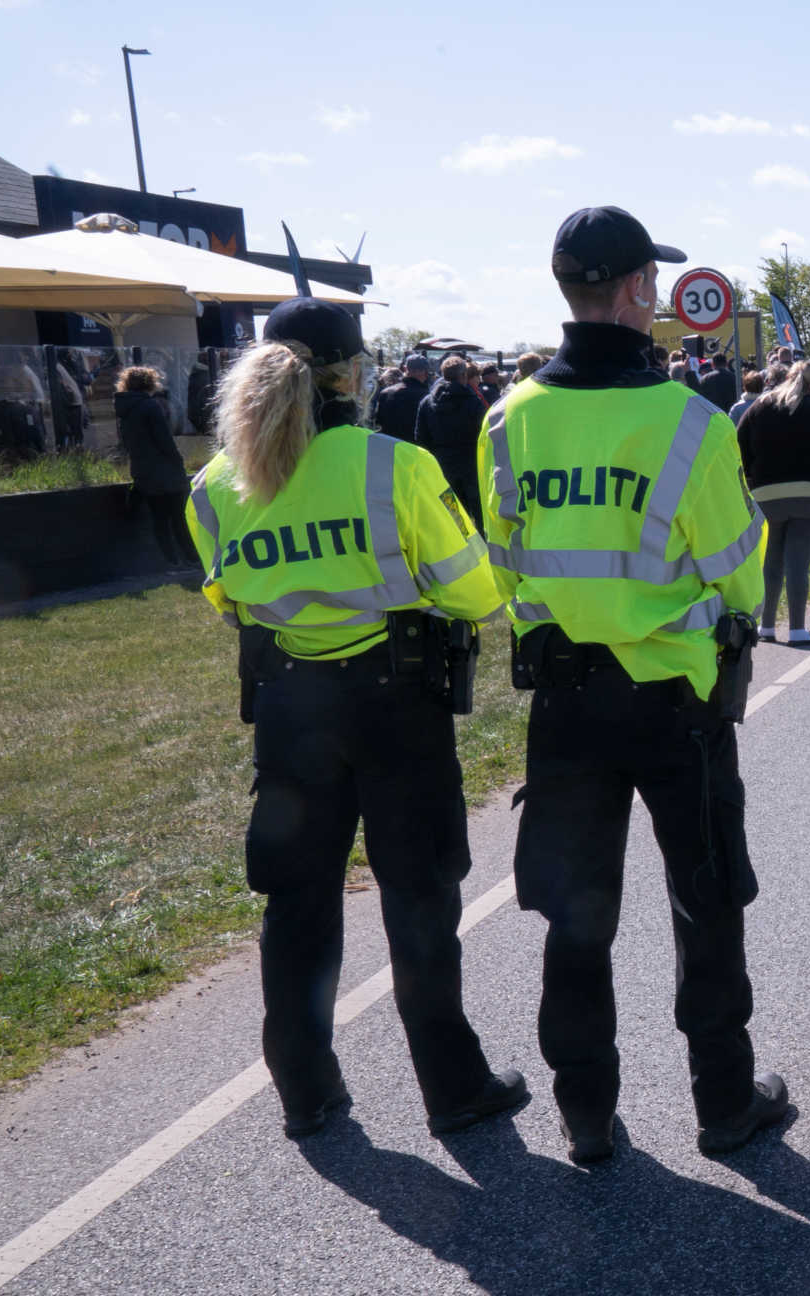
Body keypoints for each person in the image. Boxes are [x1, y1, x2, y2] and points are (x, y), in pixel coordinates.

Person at [484, 205, 790, 1165]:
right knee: (706, 902)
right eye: (651, 280)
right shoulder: (689, 421)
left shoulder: (508, 418)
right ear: (636, 291)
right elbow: (740, 568)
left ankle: (585, 1115)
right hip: (676, 706)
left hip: (567, 706)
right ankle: (724, 1105)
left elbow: (503, 566)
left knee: (577, 920)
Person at [185, 297, 522, 1141]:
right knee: (418, 900)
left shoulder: (215, 486)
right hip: (394, 706)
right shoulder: (391, 466)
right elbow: (475, 590)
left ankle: (306, 1093)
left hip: (291, 711)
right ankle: (453, 1089)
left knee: (297, 906)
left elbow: (231, 599)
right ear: (348, 374)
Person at [735, 359, 810, 644]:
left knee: (770, 561)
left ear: (786, 377)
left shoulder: (759, 409)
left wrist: (751, 480)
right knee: (798, 562)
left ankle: (766, 626)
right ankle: (797, 629)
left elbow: (740, 446)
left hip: (766, 495)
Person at [114, 364, 190, 573]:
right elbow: (165, 441)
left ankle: (171, 561)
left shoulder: (124, 409)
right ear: (150, 383)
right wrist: (178, 461)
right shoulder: (151, 407)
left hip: (143, 471)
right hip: (165, 471)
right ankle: (190, 558)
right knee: (179, 518)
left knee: (160, 520)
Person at [414, 354, 489, 525]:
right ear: (463, 375)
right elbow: (485, 434)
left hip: (443, 464)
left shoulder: (427, 402)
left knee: (454, 517)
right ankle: (484, 548)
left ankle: (462, 548)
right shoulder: (473, 402)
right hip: (472, 463)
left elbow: (421, 438)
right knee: (480, 513)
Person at [372, 354, 430, 441]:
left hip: (389, 446)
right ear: (425, 372)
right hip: (415, 449)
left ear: (405, 369)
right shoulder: (427, 396)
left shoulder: (386, 393)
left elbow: (378, 422)